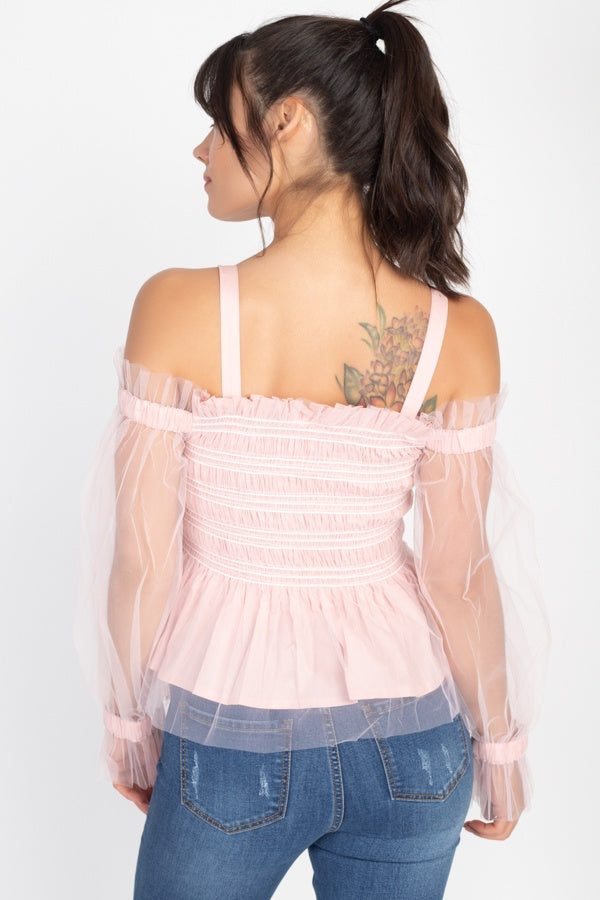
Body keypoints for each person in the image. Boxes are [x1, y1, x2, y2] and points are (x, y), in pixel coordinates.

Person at [75, 2, 549, 897]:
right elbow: (459, 573)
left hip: (230, 741)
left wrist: (130, 726)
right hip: (415, 749)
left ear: (287, 119)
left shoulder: (177, 307)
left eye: (218, 121)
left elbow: (143, 559)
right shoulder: (457, 330)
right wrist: (500, 747)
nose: (201, 149)